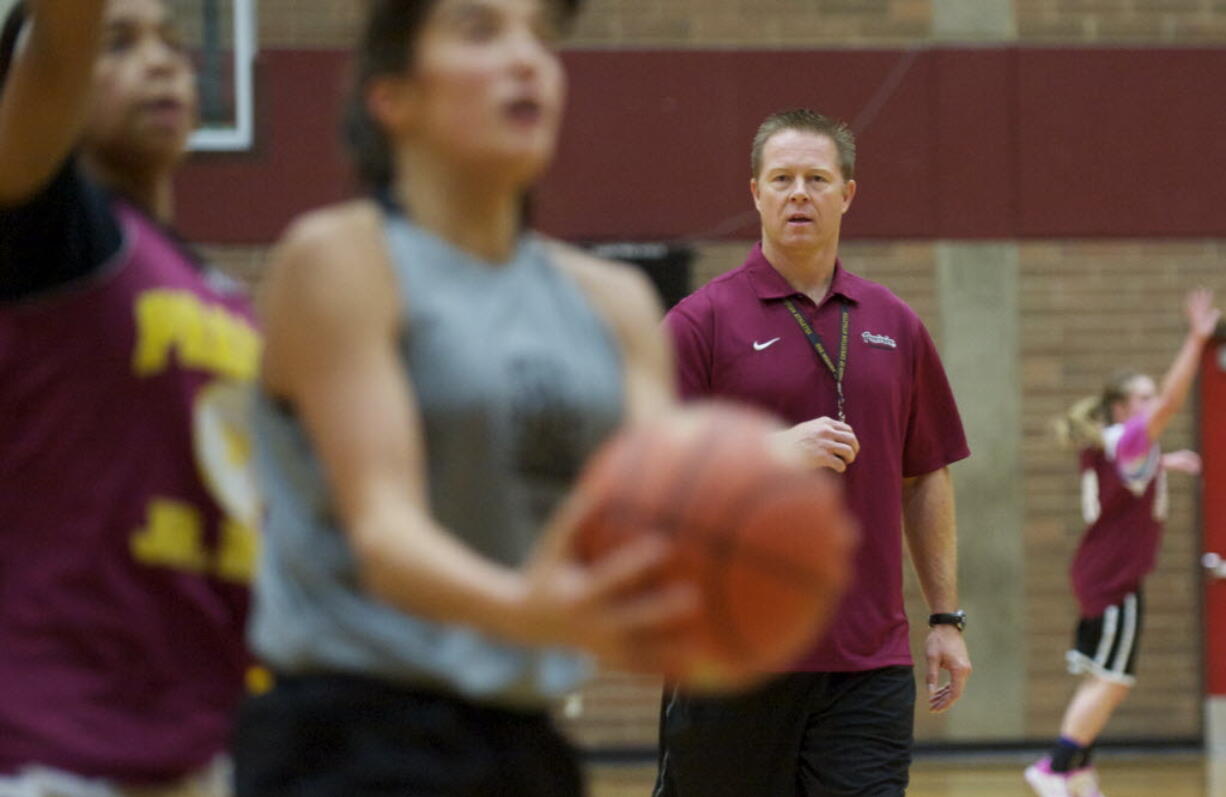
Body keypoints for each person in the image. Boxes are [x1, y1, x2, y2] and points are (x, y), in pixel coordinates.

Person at [231, 0, 696, 794]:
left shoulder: (615, 304)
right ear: (392, 98)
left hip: (525, 738)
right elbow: (384, 534)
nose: (528, 61)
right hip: (345, 738)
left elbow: (666, 520)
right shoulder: (341, 261)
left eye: (541, 38)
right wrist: (536, 607)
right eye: (482, 31)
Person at [654, 108, 973, 797]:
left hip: (868, 662)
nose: (799, 192)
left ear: (847, 193)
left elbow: (925, 476)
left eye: (817, 178)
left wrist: (945, 616)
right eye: (783, 178)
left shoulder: (896, 324)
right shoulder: (699, 323)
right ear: (756, 192)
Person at [0, 0, 260, 794]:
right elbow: (58, 43)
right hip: (54, 749)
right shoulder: (45, 235)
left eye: (172, 45)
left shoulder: (226, 299)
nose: (160, 62)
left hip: (199, 746)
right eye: (119, 46)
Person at [1025, 289, 1221, 797]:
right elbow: (1174, 403)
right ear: (1120, 407)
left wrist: (1167, 462)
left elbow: (1132, 472)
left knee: (1100, 678)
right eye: (1144, 396)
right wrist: (1197, 340)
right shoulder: (1128, 440)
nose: (1154, 403)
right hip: (1113, 577)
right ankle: (1054, 766)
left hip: (1099, 572)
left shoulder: (1117, 447)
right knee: (1112, 681)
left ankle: (1081, 771)